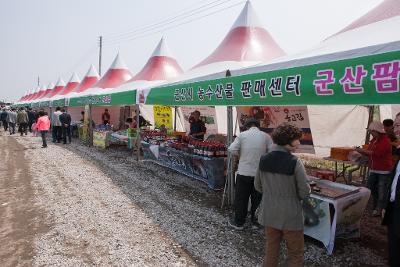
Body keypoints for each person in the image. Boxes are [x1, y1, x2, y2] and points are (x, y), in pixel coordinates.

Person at [254, 123, 310, 267]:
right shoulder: (295, 162)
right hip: (291, 214)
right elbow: (304, 191)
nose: (299, 142)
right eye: (297, 139)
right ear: (288, 140)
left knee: (271, 250)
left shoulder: (263, 159)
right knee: (295, 253)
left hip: (269, 211)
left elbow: (258, 186)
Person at [228, 118, 273, 230]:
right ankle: (255, 222)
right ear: (258, 126)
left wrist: (241, 155)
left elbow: (232, 149)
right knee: (257, 198)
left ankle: (239, 223)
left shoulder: (242, 135)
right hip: (259, 173)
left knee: (241, 198)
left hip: (244, 172)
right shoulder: (266, 136)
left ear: (247, 126)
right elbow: (272, 152)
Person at [356, 121, 393, 216]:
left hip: (383, 171)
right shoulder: (374, 140)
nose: (371, 133)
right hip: (374, 169)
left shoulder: (385, 141)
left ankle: (379, 209)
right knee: (371, 188)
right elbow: (369, 152)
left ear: (377, 131)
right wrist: (360, 152)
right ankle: (376, 207)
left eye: (372, 131)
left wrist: (360, 150)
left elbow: (376, 154)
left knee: (381, 191)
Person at [382, 148, 400, 267]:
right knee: (393, 241)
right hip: (393, 206)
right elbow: (392, 182)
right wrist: (385, 205)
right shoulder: (398, 161)